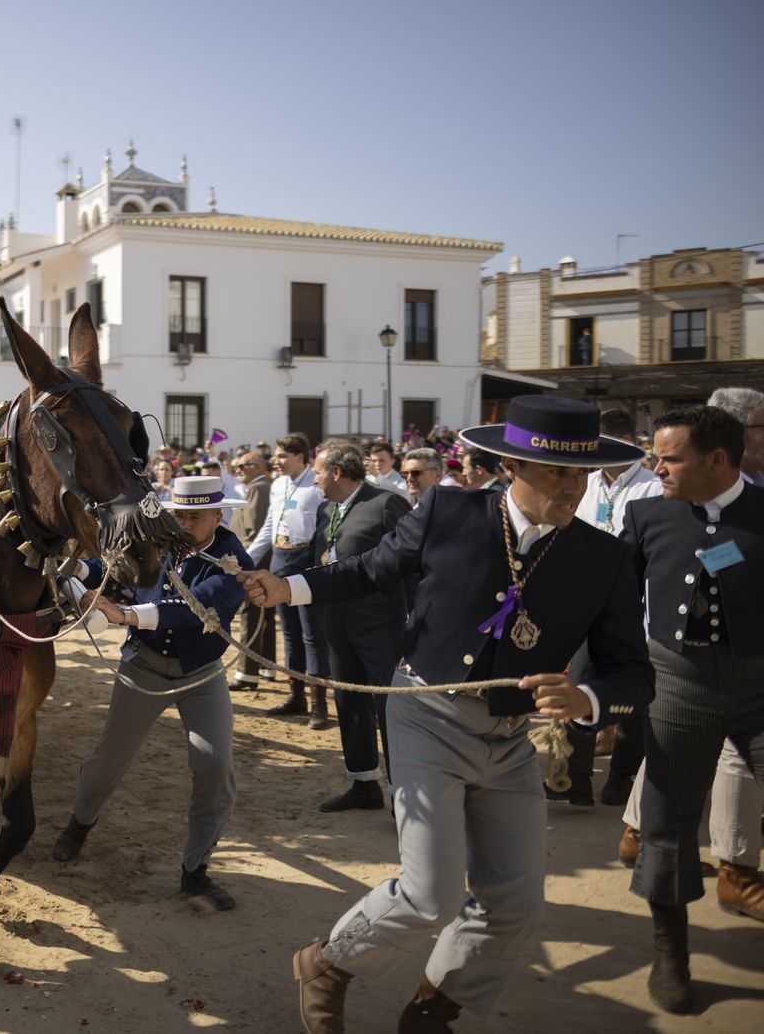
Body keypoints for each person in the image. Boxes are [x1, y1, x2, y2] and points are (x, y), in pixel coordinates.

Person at [244, 394, 654, 1032]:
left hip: (511, 739)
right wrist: (288, 586)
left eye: (581, 473)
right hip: (425, 715)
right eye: (557, 473)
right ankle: (327, 964)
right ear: (513, 466)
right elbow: (372, 570)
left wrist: (588, 700)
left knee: (514, 903)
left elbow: (634, 672)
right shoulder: (449, 509)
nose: (574, 487)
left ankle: (433, 1012)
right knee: (430, 892)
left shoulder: (605, 556)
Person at [50, 475, 251, 912]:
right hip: (143, 666)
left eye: (194, 517)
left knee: (215, 766)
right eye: (179, 515)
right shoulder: (158, 537)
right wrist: (80, 569)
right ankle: (79, 826)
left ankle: (195, 871)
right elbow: (118, 567)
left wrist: (122, 614)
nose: (184, 524)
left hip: (200, 673)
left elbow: (192, 609)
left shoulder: (235, 560)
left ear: (219, 515)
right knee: (109, 759)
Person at [620, 405, 763, 1013]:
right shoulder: (644, 513)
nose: (656, 467)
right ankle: (670, 955)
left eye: (669, 457)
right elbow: (612, 599)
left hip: (761, 685)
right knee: (667, 822)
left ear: (717, 460)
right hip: (676, 681)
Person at [561, 408, 662, 806]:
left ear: (623, 442)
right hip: (584, 601)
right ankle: (576, 778)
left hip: (634, 606)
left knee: (632, 693)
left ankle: (622, 772)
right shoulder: (587, 484)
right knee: (578, 682)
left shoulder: (652, 488)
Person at [305, 440, 412, 812]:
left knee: (389, 706)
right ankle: (363, 784)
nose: (314, 478)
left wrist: (416, 616)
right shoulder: (326, 509)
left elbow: (411, 561)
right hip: (337, 620)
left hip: (382, 622)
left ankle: (406, 793)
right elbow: (318, 559)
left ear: (336, 471)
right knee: (349, 701)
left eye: (317, 470)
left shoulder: (385, 503)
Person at [246, 433, 329, 727]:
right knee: (291, 634)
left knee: (313, 635)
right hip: (280, 559)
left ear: (300, 456)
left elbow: (324, 530)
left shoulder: (316, 486)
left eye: (282, 456)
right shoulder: (278, 485)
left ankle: (320, 703)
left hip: (306, 561)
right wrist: (247, 559)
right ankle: (296, 696)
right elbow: (269, 526)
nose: (276, 461)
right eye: (276, 455)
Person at [228, 452, 275, 691]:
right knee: (262, 614)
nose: (237, 470)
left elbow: (255, 530)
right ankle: (266, 665)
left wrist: (243, 563)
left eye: (242, 466)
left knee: (252, 612)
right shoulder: (258, 487)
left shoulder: (259, 488)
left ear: (256, 467)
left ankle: (248, 672)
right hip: (256, 558)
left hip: (253, 561)